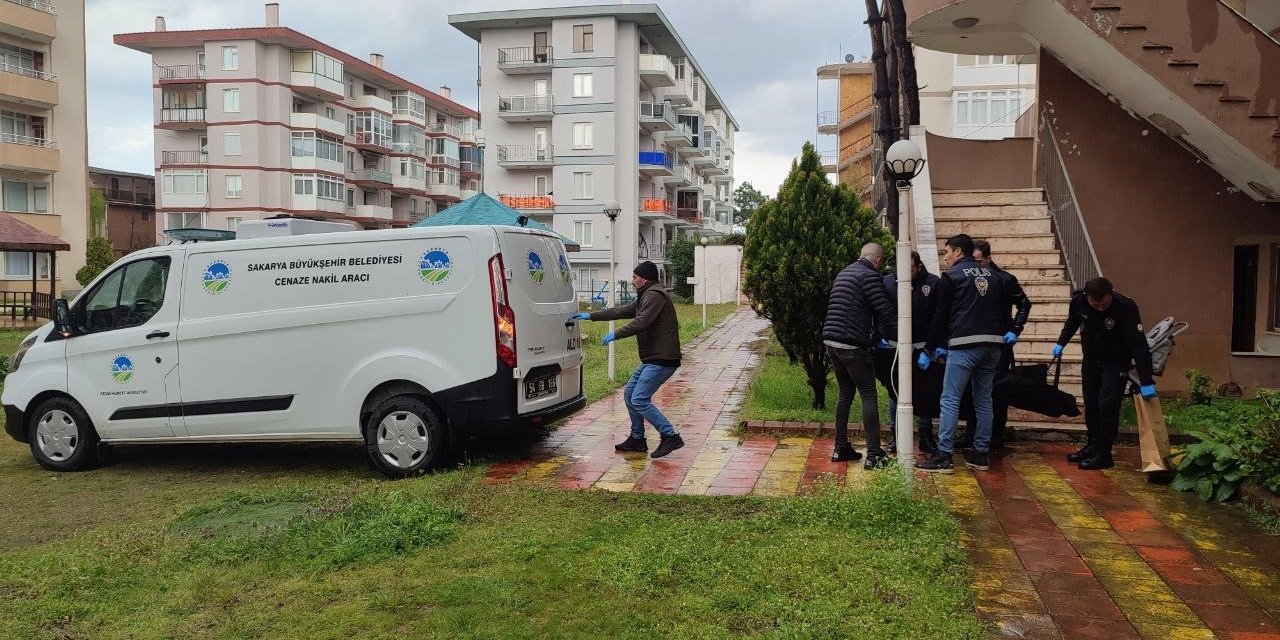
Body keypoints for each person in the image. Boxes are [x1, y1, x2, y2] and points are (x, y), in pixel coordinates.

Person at [917, 234, 1018, 473]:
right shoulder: (995, 276)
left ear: (958, 252)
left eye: (947, 252)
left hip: (964, 345)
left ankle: (944, 455)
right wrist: (1011, 332)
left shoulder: (951, 276)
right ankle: (981, 453)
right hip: (993, 346)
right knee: (983, 399)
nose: (945, 257)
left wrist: (929, 348)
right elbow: (1006, 309)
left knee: (950, 398)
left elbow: (941, 316)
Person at [571, 261, 685, 459]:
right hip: (653, 358)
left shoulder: (654, 296)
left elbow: (642, 322)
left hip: (662, 359)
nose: (632, 281)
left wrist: (616, 334)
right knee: (630, 393)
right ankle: (637, 439)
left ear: (645, 279)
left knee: (639, 399)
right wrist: (591, 315)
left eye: (635, 277)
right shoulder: (646, 295)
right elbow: (622, 311)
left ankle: (670, 436)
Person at [1052, 277, 1156, 470]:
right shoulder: (1079, 301)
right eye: (1095, 304)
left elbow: (1138, 345)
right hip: (1091, 360)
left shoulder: (1126, 307)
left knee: (1107, 406)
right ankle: (1092, 446)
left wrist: (1146, 379)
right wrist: (1061, 343)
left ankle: (1104, 454)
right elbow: (1072, 321)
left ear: (1111, 294)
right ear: (1087, 297)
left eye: (1105, 304)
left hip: (1116, 362)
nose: (1100, 308)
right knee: (1091, 404)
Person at [822, 243, 897, 468]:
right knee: (868, 395)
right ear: (878, 261)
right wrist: (897, 336)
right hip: (853, 345)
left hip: (831, 341)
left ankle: (840, 448)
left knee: (845, 394)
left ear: (861, 255)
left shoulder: (844, 272)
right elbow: (884, 310)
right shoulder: (870, 276)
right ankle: (874, 454)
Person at [956, 240, 1031, 451]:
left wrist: (1015, 329)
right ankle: (972, 432)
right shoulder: (970, 278)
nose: (976, 266)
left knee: (996, 389)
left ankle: (995, 435)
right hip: (974, 339)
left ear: (989, 258)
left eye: (979, 261)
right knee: (971, 389)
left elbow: (1024, 303)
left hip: (999, 343)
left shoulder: (1004, 279)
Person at [876, 251, 940, 454]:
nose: (906, 274)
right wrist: (880, 337)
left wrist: (933, 346)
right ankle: (896, 435)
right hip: (894, 347)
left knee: (925, 391)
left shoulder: (933, 283)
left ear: (918, 266)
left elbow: (938, 316)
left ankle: (925, 435)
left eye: (910, 270)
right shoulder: (887, 283)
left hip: (922, 347)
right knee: (895, 392)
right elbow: (878, 312)